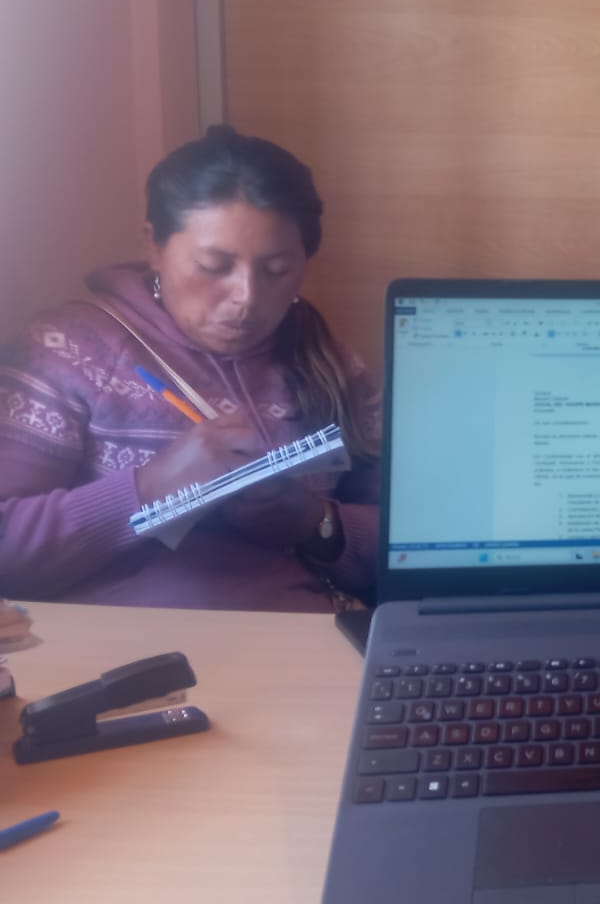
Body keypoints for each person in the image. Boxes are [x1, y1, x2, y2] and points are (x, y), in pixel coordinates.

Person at [0, 126, 381, 611]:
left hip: (309, 636)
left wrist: (316, 523)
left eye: (278, 270)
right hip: (132, 649)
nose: (246, 297)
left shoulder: (328, 363)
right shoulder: (68, 350)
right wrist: (151, 490)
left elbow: (410, 550)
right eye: (214, 266)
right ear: (153, 246)